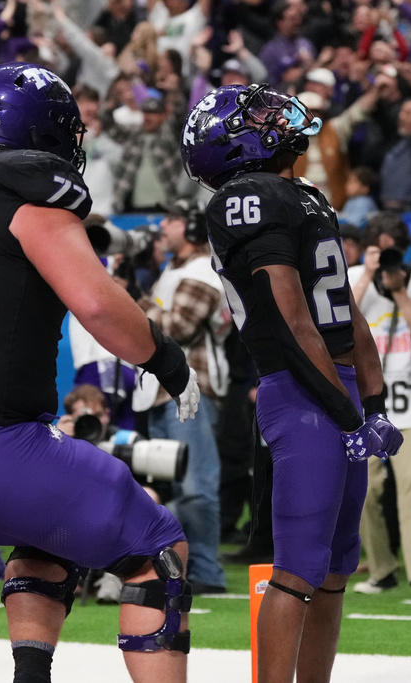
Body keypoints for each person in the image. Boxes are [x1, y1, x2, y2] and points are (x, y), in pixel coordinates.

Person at [0, 62, 200, 683]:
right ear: (43, 131)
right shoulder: (30, 195)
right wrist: (170, 361)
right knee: (159, 547)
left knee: (48, 531)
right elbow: (100, 305)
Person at [181, 82, 402, 683]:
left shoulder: (301, 196)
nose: (271, 114)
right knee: (298, 570)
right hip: (304, 392)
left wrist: (374, 401)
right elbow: (289, 318)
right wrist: (352, 412)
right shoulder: (247, 197)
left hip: (337, 387)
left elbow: (347, 316)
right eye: (254, 114)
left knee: (335, 569)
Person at [136, 199, 232, 595]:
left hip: (189, 391)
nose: (162, 226)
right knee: (168, 486)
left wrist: (135, 304)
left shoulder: (202, 271)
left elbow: (174, 330)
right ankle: (179, 566)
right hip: (162, 393)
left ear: (192, 228)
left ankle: (207, 571)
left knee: (195, 485)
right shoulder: (173, 272)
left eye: (172, 220)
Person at [349, 213, 411, 599]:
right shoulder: (355, 276)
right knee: (365, 490)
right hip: (365, 405)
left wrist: (399, 288)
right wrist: (368, 274)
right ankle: (382, 568)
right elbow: (335, 319)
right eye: (379, 251)